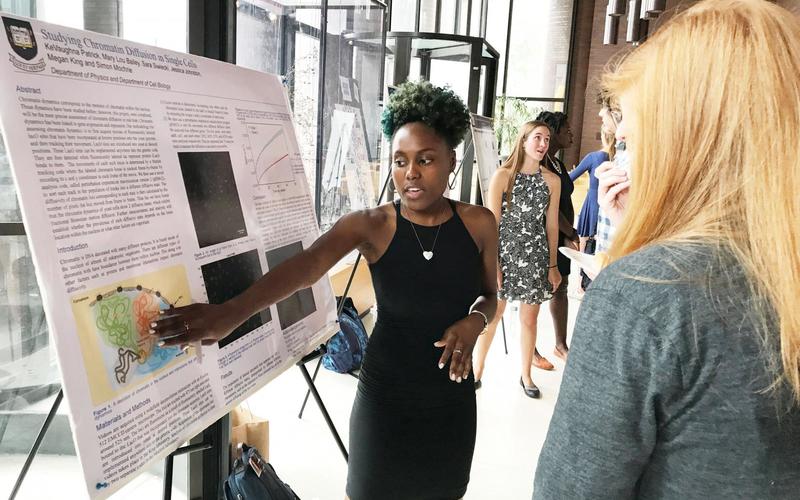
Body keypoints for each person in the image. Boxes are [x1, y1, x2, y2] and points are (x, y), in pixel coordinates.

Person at [152, 81, 499, 500]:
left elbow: (490, 295)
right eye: (400, 160)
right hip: (385, 399)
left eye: (425, 160)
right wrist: (231, 313)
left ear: (452, 163)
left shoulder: (478, 224)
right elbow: (305, 266)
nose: (411, 173)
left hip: (449, 401)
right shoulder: (372, 225)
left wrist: (473, 322)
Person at [534, 1, 800, 498]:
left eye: (634, 141)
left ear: (686, 142)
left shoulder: (644, 296)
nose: (626, 159)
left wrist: (642, 256)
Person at [471, 121, 561, 397]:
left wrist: (553, 266)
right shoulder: (503, 176)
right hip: (505, 253)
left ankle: (526, 376)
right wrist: (493, 262)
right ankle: (477, 370)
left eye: (546, 139)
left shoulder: (552, 180)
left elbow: (552, 226)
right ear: (523, 140)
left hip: (536, 255)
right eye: (537, 137)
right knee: (494, 314)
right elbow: (491, 223)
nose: (543, 144)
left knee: (529, 319)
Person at [535, 111, 577, 364]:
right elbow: (552, 208)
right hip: (545, 235)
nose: (570, 133)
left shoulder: (558, 164)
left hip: (562, 237)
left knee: (561, 287)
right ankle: (531, 350)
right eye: (566, 129)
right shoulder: (539, 165)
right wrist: (570, 232)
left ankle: (561, 345)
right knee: (538, 291)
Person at [570, 125, 616, 292]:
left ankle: (580, 283)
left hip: (592, 203)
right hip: (611, 204)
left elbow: (570, 178)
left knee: (585, 245)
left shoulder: (594, 157)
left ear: (603, 137)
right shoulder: (617, 159)